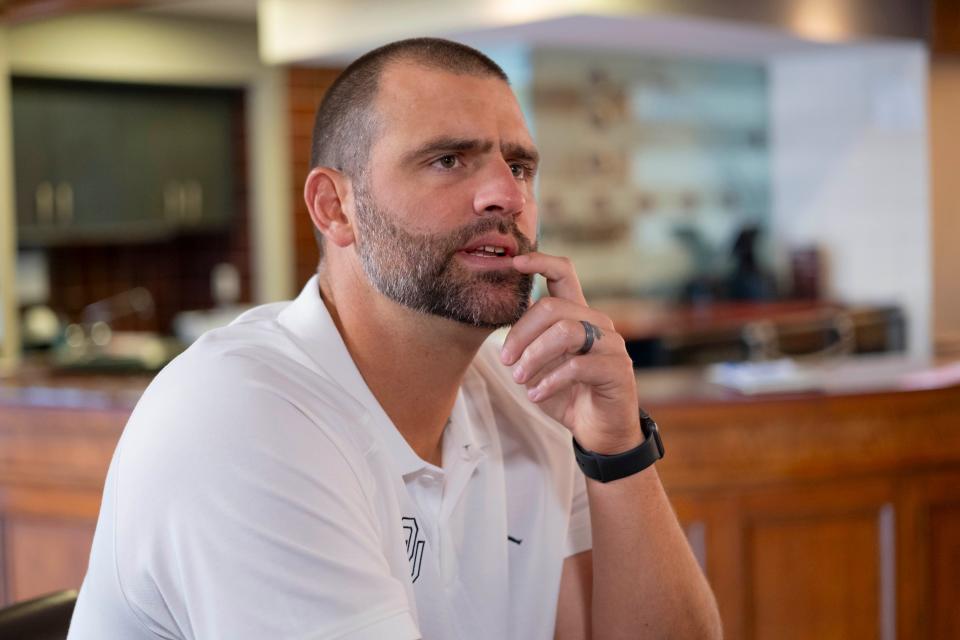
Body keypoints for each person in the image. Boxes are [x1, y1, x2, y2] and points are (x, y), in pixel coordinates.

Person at [68, 38, 721, 639]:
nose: (505, 195)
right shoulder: (239, 412)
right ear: (335, 208)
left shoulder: (535, 396)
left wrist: (616, 450)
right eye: (447, 160)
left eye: (519, 166)